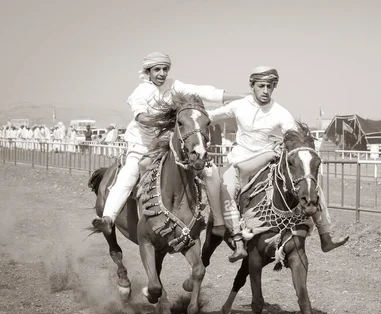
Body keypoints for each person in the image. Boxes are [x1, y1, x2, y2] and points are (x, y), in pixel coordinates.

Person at [92, 52, 247, 236]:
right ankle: (108, 218)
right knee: (129, 173)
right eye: (157, 69)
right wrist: (165, 121)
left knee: (211, 172)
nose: (162, 73)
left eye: (165, 69)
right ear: (147, 72)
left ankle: (219, 224)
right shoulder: (139, 92)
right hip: (142, 146)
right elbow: (141, 117)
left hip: (169, 145)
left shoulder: (174, 86)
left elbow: (201, 91)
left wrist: (240, 96)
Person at [208, 66, 349, 262]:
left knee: (312, 188)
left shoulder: (280, 112)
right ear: (252, 86)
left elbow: (294, 133)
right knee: (226, 187)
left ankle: (325, 237)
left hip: (268, 161)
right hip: (240, 163)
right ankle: (238, 243)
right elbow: (211, 116)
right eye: (261, 86)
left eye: (270, 86)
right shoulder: (238, 106)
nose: (266, 90)